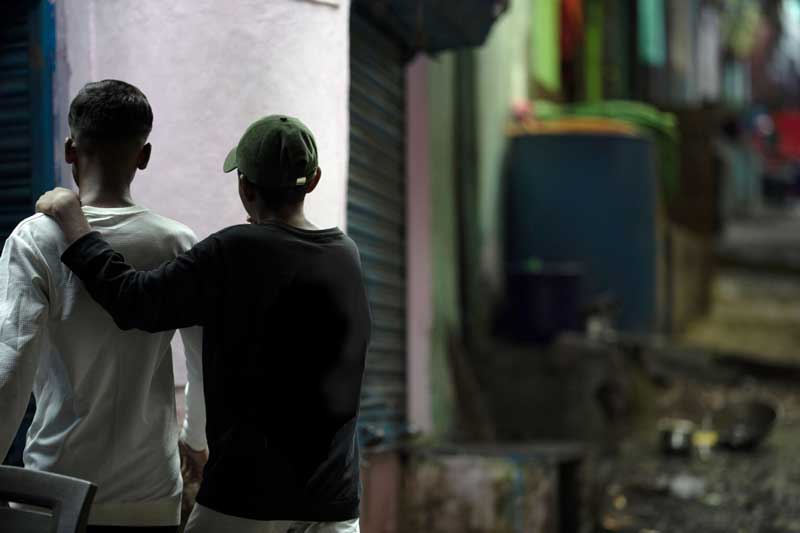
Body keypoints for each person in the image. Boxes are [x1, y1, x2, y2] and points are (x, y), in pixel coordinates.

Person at [37, 115, 371, 533]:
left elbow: (136, 302)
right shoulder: (347, 255)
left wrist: (76, 228)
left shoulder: (233, 250)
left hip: (244, 502)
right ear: (314, 180)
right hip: (333, 503)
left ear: (245, 187)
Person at [0, 79, 207, 532]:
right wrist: (196, 439)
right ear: (144, 156)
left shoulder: (35, 239)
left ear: (71, 150)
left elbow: (11, 363)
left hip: (54, 492)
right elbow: (203, 361)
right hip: (152, 494)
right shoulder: (177, 243)